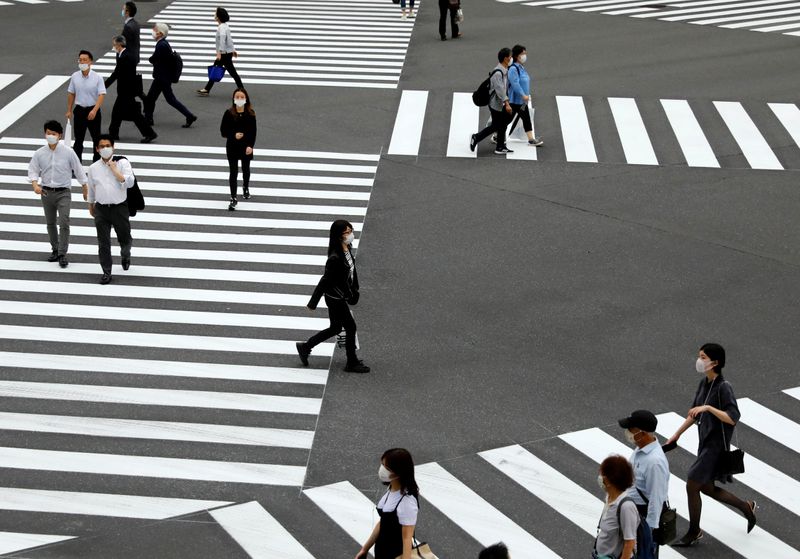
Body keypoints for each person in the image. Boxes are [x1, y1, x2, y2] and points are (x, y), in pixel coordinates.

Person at [665, 343, 756, 547]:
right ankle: (746, 507)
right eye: (700, 356)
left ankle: (694, 531)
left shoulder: (724, 387)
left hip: (715, 447)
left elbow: (733, 418)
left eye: (703, 357)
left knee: (692, 484)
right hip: (704, 442)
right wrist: (676, 435)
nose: (699, 361)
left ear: (715, 362)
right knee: (706, 488)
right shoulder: (704, 384)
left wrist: (708, 408)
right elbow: (694, 413)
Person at [296, 220, 370, 374]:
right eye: (347, 232)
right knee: (350, 326)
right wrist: (313, 303)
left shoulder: (347, 248)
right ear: (338, 236)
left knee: (335, 327)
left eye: (351, 230)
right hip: (335, 299)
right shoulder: (335, 258)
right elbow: (325, 280)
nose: (350, 235)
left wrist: (354, 290)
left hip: (340, 296)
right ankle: (351, 361)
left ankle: (305, 347)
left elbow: (351, 272)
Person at [27, 120, 89, 269]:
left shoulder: (68, 152)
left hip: (63, 192)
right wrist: (35, 185)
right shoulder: (39, 153)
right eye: (48, 133)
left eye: (53, 134)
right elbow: (33, 170)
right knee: (50, 223)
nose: (50, 136)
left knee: (64, 222)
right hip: (46, 192)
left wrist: (84, 186)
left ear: (60, 136)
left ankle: (62, 253)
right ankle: (54, 249)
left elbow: (78, 169)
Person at [618, 410, 668, 555]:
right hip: (634, 512)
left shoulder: (655, 462)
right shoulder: (641, 448)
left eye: (631, 429)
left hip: (643, 516)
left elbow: (656, 498)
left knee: (644, 554)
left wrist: (649, 531)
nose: (628, 432)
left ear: (643, 433)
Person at [86, 134, 134, 285]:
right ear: (97, 149)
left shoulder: (122, 163)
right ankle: (107, 272)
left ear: (113, 147)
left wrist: (114, 170)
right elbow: (92, 187)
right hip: (101, 209)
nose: (105, 148)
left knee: (124, 237)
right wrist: (91, 204)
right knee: (103, 242)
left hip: (119, 208)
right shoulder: (93, 168)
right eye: (102, 146)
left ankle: (125, 254)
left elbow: (130, 182)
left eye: (108, 145)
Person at [355, 448, 419, 559]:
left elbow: (407, 539)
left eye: (387, 468)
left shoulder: (406, 502)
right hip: (382, 552)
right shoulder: (392, 488)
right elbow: (383, 523)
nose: (382, 469)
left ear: (398, 472)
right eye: (382, 464)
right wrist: (365, 549)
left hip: (395, 554)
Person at [144, 23, 197, 129]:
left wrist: (151, 59)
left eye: (155, 29)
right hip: (163, 76)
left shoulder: (161, 45)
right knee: (156, 98)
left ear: (160, 33)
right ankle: (148, 119)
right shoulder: (163, 43)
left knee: (158, 98)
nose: (153, 31)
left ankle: (189, 116)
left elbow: (156, 58)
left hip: (162, 77)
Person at [105, 36, 158, 144]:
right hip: (126, 91)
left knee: (134, 115)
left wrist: (104, 86)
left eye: (114, 45)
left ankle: (150, 133)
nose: (113, 47)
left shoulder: (125, 57)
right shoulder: (126, 55)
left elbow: (116, 74)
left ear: (119, 45)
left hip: (126, 91)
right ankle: (113, 133)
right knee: (117, 113)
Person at [470, 48, 514, 155]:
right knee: (496, 125)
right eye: (510, 56)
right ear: (505, 58)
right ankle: (476, 137)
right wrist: (507, 103)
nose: (511, 58)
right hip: (496, 104)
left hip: (500, 103)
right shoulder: (498, 73)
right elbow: (500, 91)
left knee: (501, 124)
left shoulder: (505, 70)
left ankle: (500, 146)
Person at [595, 455, 638, 559]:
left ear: (610, 480)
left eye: (602, 474)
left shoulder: (626, 507)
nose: (600, 477)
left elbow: (630, 542)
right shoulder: (609, 497)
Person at [220, 88, 256, 210]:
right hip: (232, 146)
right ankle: (233, 197)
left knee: (246, 169)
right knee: (233, 172)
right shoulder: (228, 113)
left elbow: (253, 132)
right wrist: (233, 135)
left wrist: (251, 146)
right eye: (237, 97)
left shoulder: (251, 114)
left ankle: (245, 187)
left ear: (246, 99)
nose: (239, 99)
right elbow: (223, 131)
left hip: (246, 146)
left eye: (242, 97)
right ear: (234, 99)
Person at [67, 50, 106, 163]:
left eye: (85, 60)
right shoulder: (75, 76)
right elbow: (71, 93)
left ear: (90, 62)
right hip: (79, 111)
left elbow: (101, 95)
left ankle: (97, 163)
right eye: (80, 60)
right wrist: (69, 110)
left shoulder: (97, 77)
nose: (82, 62)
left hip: (93, 110)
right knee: (78, 140)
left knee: (96, 139)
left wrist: (94, 110)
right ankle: (76, 164)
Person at [502, 45, 543, 147]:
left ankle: (531, 139)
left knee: (526, 118)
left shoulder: (520, 67)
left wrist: (526, 95)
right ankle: (495, 134)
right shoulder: (513, 69)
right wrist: (523, 95)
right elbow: (515, 83)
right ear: (517, 56)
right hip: (514, 101)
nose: (525, 56)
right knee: (506, 120)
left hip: (521, 101)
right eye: (523, 54)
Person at [197, 7, 244, 96]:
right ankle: (207, 89)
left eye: (215, 14)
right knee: (217, 69)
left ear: (218, 17)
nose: (214, 15)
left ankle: (242, 90)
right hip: (227, 53)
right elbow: (229, 40)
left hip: (224, 54)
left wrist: (219, 53)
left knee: (231, 72)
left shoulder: (222, 27)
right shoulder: (225, 26)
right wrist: (233, 50)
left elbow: (223, 40)